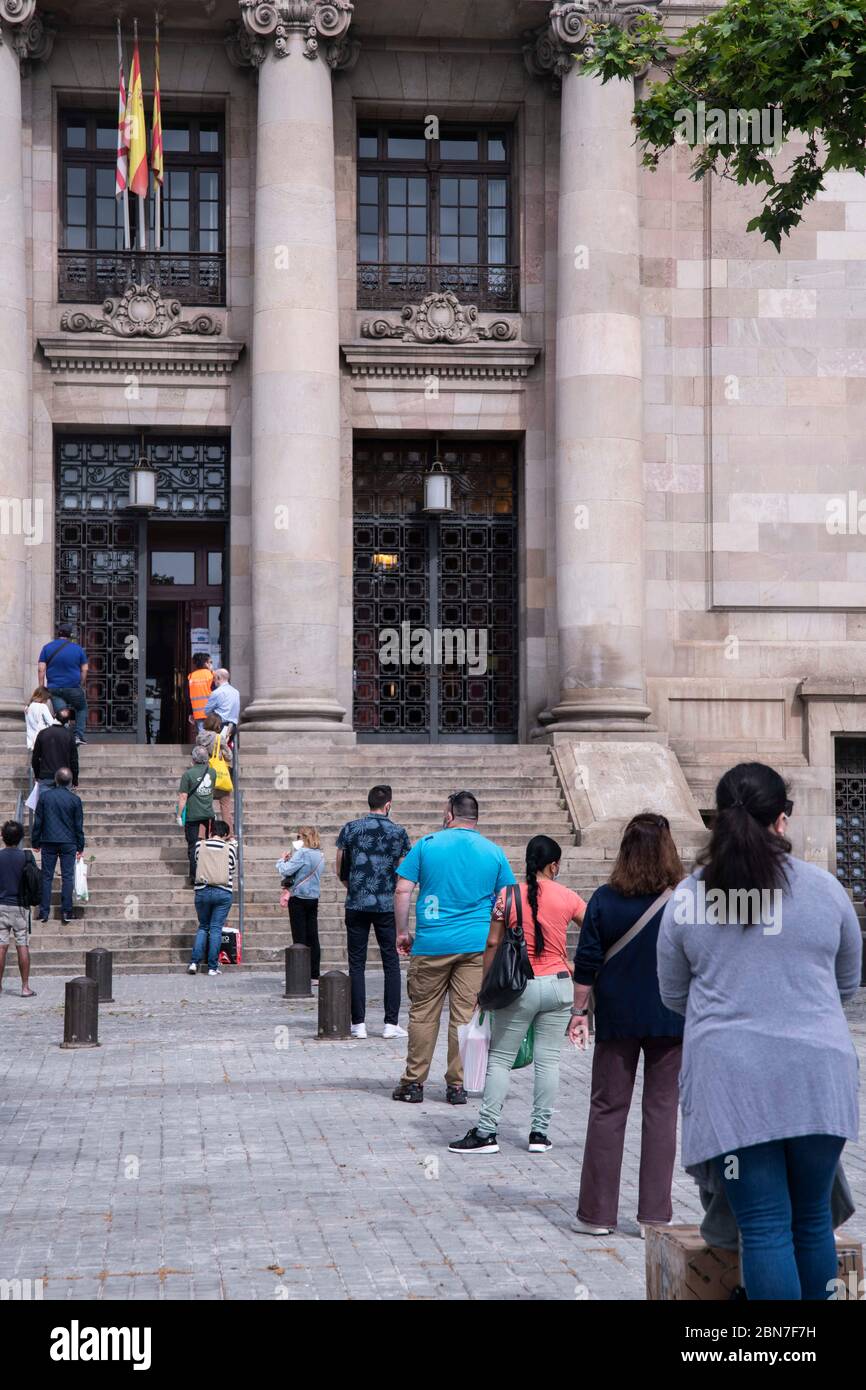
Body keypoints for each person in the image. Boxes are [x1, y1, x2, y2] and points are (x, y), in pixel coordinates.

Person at [657, 763, 862, 1301]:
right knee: (814, 1219)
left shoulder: (688, 897)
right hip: (819, 1075)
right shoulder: (827, 889)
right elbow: (847, 983)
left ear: (718, 820)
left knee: (765, 1225)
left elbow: (673, 995)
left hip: (733, 1086)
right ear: (782, 820)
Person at [568, 813, 685, 1236]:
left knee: (606, 1109)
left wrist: (579, 1012)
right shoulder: (684, 900)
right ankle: (654, 1214)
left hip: (617, 1017)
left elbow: (586, 963)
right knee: (661, 1112)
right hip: (672, 1017)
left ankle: (597, 1215)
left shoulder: (604, 898)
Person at [449, 834, 586, 1155]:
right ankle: (539, 1133)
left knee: (500, 1058)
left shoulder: (507, 896)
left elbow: (493, 943)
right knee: (548, 1060)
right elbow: (595, 927)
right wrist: (578, 965)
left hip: (518, 986)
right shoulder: (568, 896)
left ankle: (486, 1132)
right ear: (554, 865)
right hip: (558, 985)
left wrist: (484, 989)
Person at [392, 791, 516, 1105]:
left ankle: (414, 1083)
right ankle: (456, 1086)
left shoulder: (427, 845)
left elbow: (402, 890)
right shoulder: (494, 852)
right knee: (464, 1016)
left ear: (449, 814)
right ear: (475, 817)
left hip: (432, 942)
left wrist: (403, 932)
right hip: (476, 945)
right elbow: (507, 900)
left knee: (423, 1015)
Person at [336, 784, 411, 1040]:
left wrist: (352, 886)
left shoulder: (351, 828)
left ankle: (358, 1023)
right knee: (390, 962)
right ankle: (391, 1023)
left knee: (356, 963)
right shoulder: (398, 832)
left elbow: (340, 865)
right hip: (385, 905)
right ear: (388, 805)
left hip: (356, 902)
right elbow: (404, 873)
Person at [31, 768, 85, 925]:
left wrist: (35, 841)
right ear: (70, 781)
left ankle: (44, 912)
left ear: (55, 779)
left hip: (48, 840)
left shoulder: (45, 797)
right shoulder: (75, 800)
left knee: (47, 876)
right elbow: (78, 826)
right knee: (68, 876)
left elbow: (38, 821)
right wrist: (80, 846)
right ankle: (67, 911)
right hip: (69, 841)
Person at [187, 819, 238, 977]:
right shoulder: (230, 848)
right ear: (225, 834)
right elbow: (232, 868)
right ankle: (212, 967)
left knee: (203, 926)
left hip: (202, 889)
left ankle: (194, 963)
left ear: (211, 832)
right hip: (223, 891)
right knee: (216, 929)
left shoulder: (199, 846)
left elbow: (196, 861)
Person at [276, 827, 325, 983]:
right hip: (313, 897)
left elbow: (285, 870)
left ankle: (300, 975)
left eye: (299, 837)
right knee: (313, 936)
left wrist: (282, 859)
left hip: (299, 897)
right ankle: (314, 974)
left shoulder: (303, 853)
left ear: (304, 838)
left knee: (299, 936)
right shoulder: (320, 854)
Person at [0, 820, 36, 997]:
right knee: (22, 944)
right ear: (21, 837)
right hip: (20, 906)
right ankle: (25, 987)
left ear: (3, 837)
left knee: (1, 946)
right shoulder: (25, 857)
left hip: (1, 905)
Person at [37, 623, 88, 744]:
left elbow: (41, 669)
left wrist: (41, 687)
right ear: (70, 635)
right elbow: (85, 669)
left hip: (54, 688)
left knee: (62, 712)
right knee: (81, 708)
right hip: (73, 687)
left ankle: (64, 737)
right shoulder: (78, 649)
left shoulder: (47, 648)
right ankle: (78, 736)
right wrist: (81, 682)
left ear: (58, 633)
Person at [177, 746, 215, 886]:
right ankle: (210, 873)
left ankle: (194, 876)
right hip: (208, 813)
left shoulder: (188, 775)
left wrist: (179, 815)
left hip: (193, 815)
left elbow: (183, 797)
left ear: (193, 758)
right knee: (209, 844)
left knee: (193, 846)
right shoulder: (212, 772)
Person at [195, 713, 234, 833]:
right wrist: (225, 743)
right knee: (225, 806)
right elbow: (229, 756)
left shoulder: (199, 738)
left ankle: (203, 835)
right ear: (217, 725)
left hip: (204, 776)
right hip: (219, 776)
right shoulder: (218, 738)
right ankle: (229, 835)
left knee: (205, 808)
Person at [31, 709, 79, 791]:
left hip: (46, 776)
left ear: (55, 716)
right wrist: (75, 779)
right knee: (63, 803)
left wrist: (37, 775)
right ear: (67, 721)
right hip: (64, 777)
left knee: (45, 802)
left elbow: (35, 758)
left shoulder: (43, 733)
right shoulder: (69, 735)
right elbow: (73, 760)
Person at [204, 668, 240, 741]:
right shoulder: (236, 692)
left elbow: (206, 711)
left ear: (218, 678)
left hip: (219, 727)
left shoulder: (217, 692)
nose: (213, 681)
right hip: (233, 728)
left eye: (214, 678)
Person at [188, 652, 214, 735]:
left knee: (202, 737)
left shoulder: (191, 676)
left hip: (198, 713)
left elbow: (189, 696)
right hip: (211, 712)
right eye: (210, 662)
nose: (211, 664)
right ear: (206, 663)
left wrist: (190, 713)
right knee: (212, 737)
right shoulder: (211, 675)